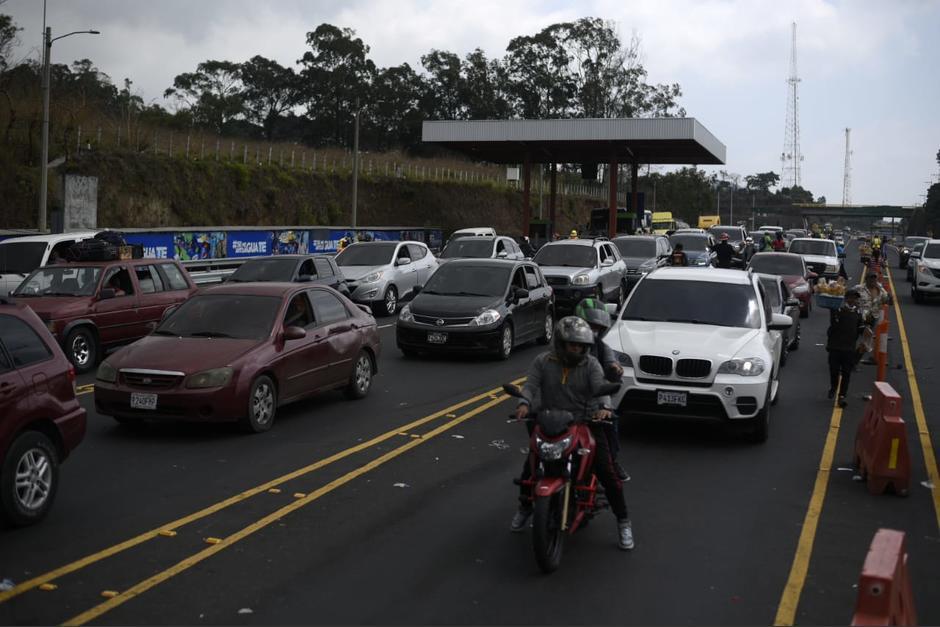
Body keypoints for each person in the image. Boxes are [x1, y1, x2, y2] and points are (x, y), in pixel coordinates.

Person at [510, 316, 633, 550]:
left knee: (608, 473)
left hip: (585, 423)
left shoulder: (591, 365)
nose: (577, 349)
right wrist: (524, 403)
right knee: (529, 470)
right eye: (573, 344)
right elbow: (530, 386)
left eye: (581, 345)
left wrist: (605, 409)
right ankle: (525, 508)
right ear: (561, 343)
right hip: (549, 423)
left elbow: (600, 389)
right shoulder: (543, 361)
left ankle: (623, 521)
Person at [573, 298, 628, 480]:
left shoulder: (602, 350)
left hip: (594, 404)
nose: (592, 331)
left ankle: (612, 462)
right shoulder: (559, 349)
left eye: (596, 327)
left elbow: (608, 376)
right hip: (564, 403)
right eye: (589, 326)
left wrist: (614, 370)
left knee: (609, 426)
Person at [826, 289, 865, 407]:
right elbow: (832, 325)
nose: (853, 300)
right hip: (835, 347)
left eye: (855, 298)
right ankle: (833, 387)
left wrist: (865, 336)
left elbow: (861, 329)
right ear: (846, 298)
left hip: (849, 349)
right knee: (834, 370)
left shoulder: (858, 314)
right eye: (851, 297)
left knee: (847, 373)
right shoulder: (838, 310)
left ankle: (842, 395)